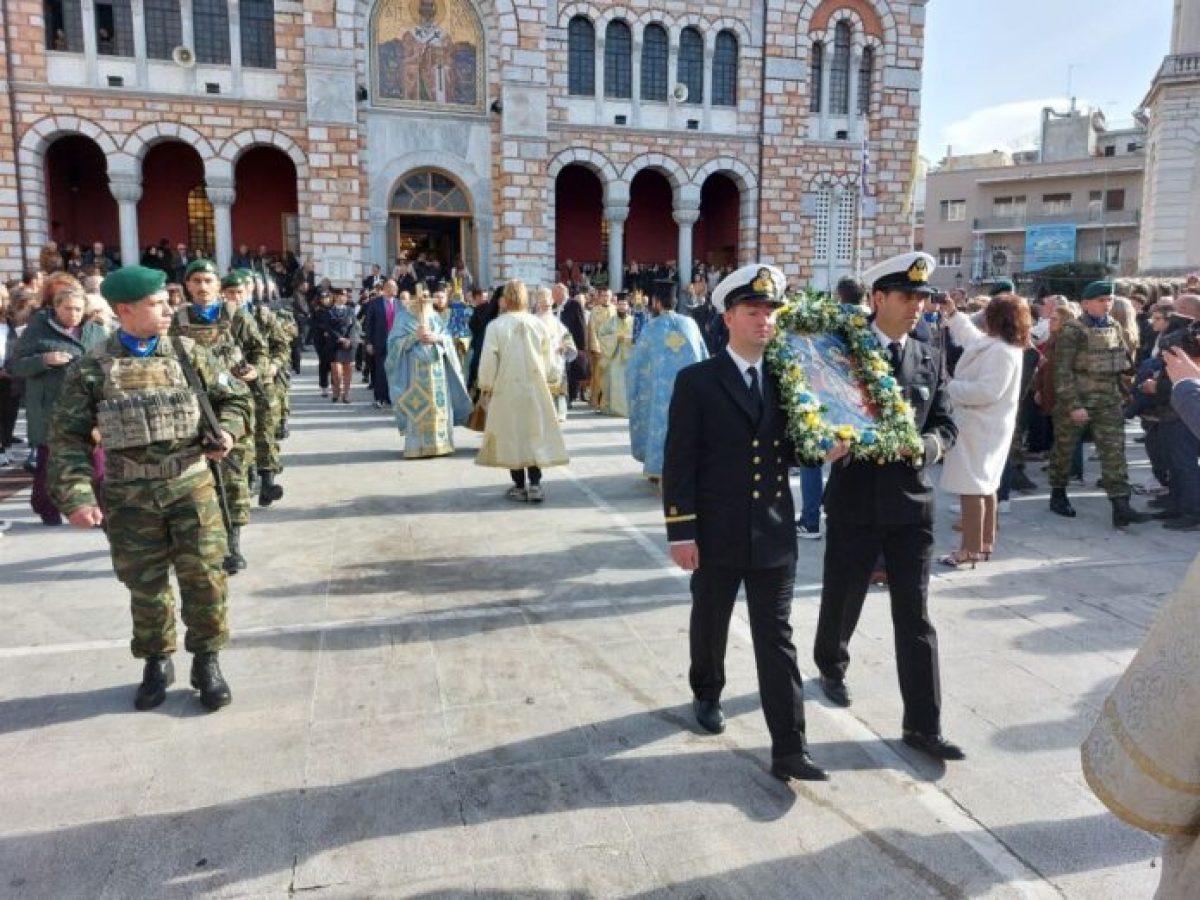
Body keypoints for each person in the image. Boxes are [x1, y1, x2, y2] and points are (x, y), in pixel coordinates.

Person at [47, 265, 252, 712]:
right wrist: (78, 496)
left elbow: (235, 396)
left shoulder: (188, 353)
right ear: (125, 310)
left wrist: (229, 433)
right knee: (146, 584)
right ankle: (157, 661)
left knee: (207, 577)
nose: (167, 310)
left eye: (166, 301)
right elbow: (67, 440)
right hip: (129, 497)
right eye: (156, 305)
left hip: (191, 487)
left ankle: (207, 660)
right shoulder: (92, 369)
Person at [662, 263, 826, 782]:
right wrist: (681, 532)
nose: (764, 321)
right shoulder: (698, 381)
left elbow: (798, 449)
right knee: (710, 621)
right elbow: (679, 460)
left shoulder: (787, 379)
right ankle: (707, 690)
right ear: (729, 316)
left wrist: (828, 446)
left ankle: (789, 748)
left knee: (776, 637)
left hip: (773, 532)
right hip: (715, 532)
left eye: (770, 313)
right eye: (753, 311)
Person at [813, 251, 965, 762]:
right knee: (844, 595)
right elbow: (818, 414)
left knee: (915, 616)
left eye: (923, 297)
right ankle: (831, 664)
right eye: (907, 296)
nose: (917, 306)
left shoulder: (928, 354)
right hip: (855, 501)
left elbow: (945, 425)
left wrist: (924, 448)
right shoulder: (843, 353)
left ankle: (923, 725)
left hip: (911, 506)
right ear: (878, 298)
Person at [171, 259, 266, 572]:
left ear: (217, 285)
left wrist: (255, 371)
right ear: (188, 285)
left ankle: (232, 543)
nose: (202, 287)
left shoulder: (234, 315)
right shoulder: (177, 320)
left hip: (231, 405)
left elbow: (260, 351)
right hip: (191, 409)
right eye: (195, 281)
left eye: (207, 280)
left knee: (232, 477)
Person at [937, 294, 1030, 567]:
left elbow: (987, 391)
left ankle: (969, 550)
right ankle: (985, 541)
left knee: (972, 488)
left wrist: (949, 387)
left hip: (980, 425)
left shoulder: (1002, 351)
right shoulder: (1000, 345)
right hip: (984, 424)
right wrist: (954, 315)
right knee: (986, 485)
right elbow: (972, 338)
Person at [1047, 281, 1149, 527]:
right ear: (1085, 303)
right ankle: (1058, 494)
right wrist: (1074, 405)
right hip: (1078, 400)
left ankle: (1120, 505)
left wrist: (1127, 390)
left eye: (1110, 299)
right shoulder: (1072, 330)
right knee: (1064, 450)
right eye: (1101, 299)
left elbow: (1121, 364)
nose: (1107, 304)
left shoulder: (1114, 326)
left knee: (1114, 452)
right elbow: (1061, 371)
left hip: (1108, 401)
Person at [8, 285, 107, 525]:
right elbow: (14, 366)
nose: (73, 314)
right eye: (67, 309)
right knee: (50, 464)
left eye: (78, 309)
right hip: (49, 409)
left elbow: (109, 362)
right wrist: (44, 360)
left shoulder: (96, 331)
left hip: (88, 407)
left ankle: (101, 513)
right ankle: (45, 506)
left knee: (99, 463)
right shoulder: (38, 329)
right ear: (56, 308)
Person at [475, 279, 568, 503]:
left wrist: (486, 387)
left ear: (505, 299)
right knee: (533, 433)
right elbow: (550, 360)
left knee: (511, 435)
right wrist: (552, 380)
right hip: (535, 388)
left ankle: (518, 486)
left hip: (506, 390)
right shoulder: (539, 325)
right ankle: (535, 484)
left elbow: (488, 361)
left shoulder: (495, 326)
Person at [627, 287, 707, 482]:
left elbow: (636, 365)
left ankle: (659, 469)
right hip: (690, 391)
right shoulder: (691, 324)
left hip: (660, 393)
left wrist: (637, 388)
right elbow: (704, 356)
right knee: (689, 426)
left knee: (661, 426)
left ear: (656, 303)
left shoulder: (651, 328)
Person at [384, 288, 471, 458]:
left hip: (437, 371)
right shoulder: (403, 318)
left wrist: (436, 338)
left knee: (438, 407)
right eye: (420, 297)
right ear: (414, 299)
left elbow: (447, 339)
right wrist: (414, 337)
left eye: (426, 297)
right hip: (414, 372)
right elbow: (392, 345)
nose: (424, 301)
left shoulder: (435, 317)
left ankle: (441, 443)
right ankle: (416, 445)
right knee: (417, 407)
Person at [533, 286, 577, 422]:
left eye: (547, 304)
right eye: (542, 304)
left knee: (559, 389)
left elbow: (567, 337)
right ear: (537, 303)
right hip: (537, 360)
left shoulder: (558, 323)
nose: (545, 307)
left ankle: (560, 412)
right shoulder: (532, 322)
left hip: (556, 360)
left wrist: (565, 346)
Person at [596, 294, 634, 416]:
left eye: (624, 305)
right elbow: (601, 335)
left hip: (629, 357)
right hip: (614, 356)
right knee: (611, 382)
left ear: (628, 307)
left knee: (626, 383)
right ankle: (611, 407)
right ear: (617, 306)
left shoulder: (634, 321)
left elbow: (640, 338)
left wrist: (627, 338)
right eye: (620, 305)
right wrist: (615, 338)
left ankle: (627, 408)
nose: (622, 308)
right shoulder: (611, 321)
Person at [363, 279, 399, 408]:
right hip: (379, 342)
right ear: (385, 289)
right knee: (381, 370)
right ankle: (379, 398)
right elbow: (369, 325)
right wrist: (369, 342)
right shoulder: (375, 303)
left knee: (394, 371)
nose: (394, 289)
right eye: (391, 287)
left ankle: (391, 397)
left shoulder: (400, 304)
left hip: (396, 344)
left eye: (395, 286)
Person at [327, 289, 360, 403]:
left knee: (348, 370)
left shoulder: (350, 310)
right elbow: (329, 328)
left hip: (349, 344)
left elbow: (353, 326)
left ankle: (346, 394)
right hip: (335, 344)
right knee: (337, 371)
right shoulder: (330, 311)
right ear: (335, 297)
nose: (343, 298)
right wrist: (339, 338)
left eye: (345, 296)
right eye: (341, 295)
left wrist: (349, 339)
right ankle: (336, 389)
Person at [558, 287, 589, 406]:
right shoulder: (556, 305)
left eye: (556, 293)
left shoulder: (574, 305)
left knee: (571, 372)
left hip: (572, 344)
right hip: (558, 345)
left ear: (562, 293)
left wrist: (581, 347)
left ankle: (570, 397)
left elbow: (581, 326)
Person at [586, 288, 614, 409]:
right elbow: (591, 330)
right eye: (603, 295)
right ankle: (595, 400)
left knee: (611, 375)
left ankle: (608, 401)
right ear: (600, 297)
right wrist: (595, 347)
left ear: (611, 297)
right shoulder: (594, 311)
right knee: (598, 375)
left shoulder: (615, 310)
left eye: (607, 295)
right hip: (600, 347)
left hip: (613, 348)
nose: (605, 298)